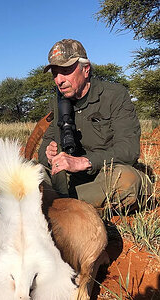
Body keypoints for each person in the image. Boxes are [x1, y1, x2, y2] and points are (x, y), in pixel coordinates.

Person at [38, 39, 151, 213]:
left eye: (66, 71)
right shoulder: (57, 102)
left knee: (129, 182)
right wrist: (49, 155)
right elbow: (43, 150)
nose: (59, 80)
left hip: (102, 176)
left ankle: (60, 206)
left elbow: (129, 150)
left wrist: (85, 162)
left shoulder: (115, 95)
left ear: (86, 69)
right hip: (68, 179)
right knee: (28, 171)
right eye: (55, 73)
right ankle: (69, 207)